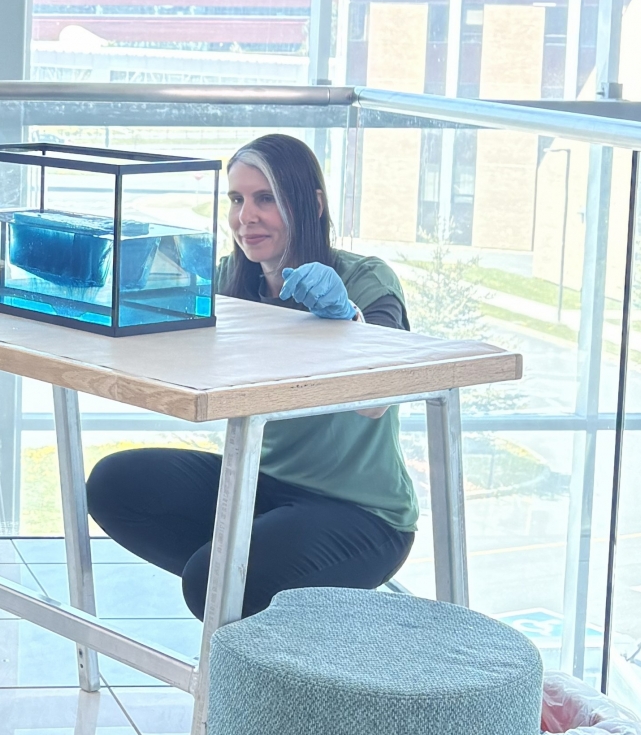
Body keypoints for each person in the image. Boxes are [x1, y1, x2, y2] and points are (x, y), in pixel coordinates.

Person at [85, 132, 418, 619]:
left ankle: (249, 595)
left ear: (313, 205)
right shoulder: (229, 282)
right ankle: (264, 601)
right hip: (259, 484)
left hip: (360, 513)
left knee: (213, 584)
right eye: (237, 199)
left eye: (266, 199)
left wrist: (346, 321)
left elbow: (376, 400)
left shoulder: (365, 280)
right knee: (115, 484)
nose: (247, 217)